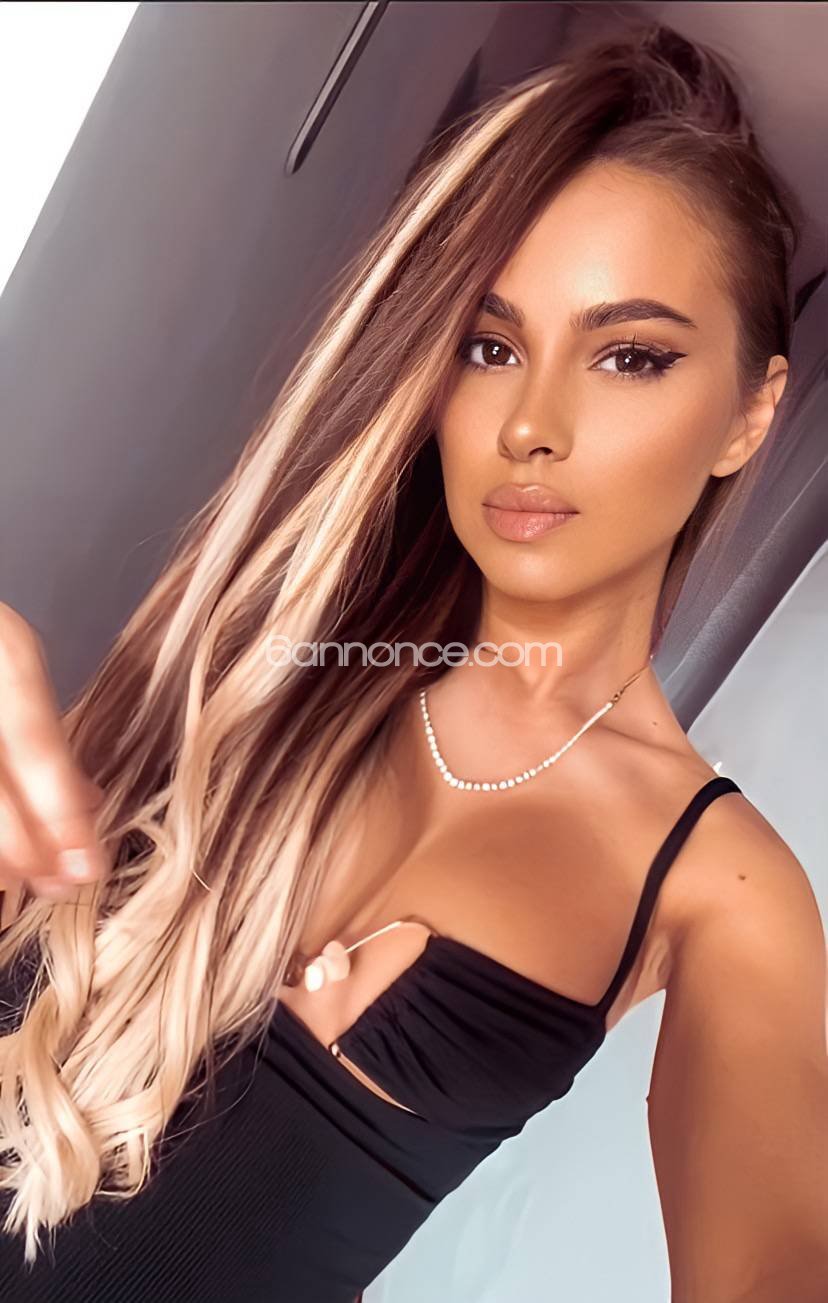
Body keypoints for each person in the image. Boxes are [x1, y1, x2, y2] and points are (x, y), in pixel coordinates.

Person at [0, 18, 826, 1303]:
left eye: (630, 356)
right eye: (492, 346)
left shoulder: (718, 889)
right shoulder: (248, 649)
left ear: (748, 415)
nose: (532, 425)